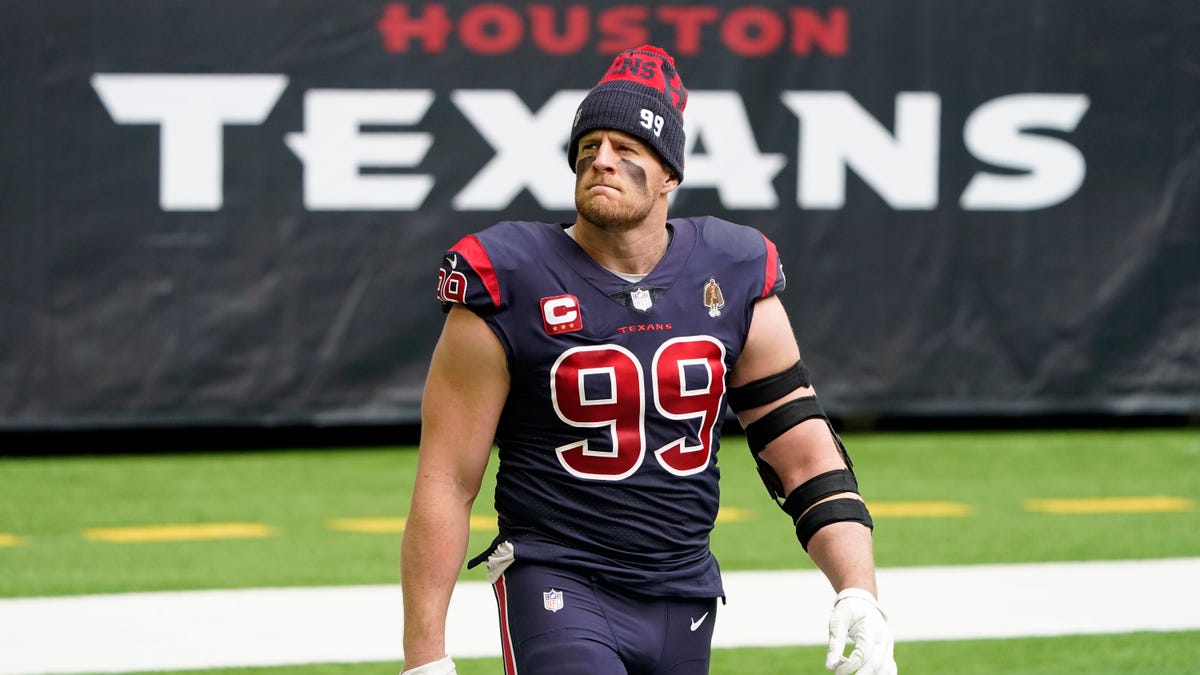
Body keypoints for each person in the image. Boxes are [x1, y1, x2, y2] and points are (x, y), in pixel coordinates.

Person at [400, 45, 896, 675]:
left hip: (684, 590)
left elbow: (802, 451)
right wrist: (425, 657)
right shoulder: (511, 276)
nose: (600, 158)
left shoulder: (734, 271)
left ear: (670, 175)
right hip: (557, 577)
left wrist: (859, 590)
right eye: (589, 147)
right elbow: (447, 479)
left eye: (626, 146)